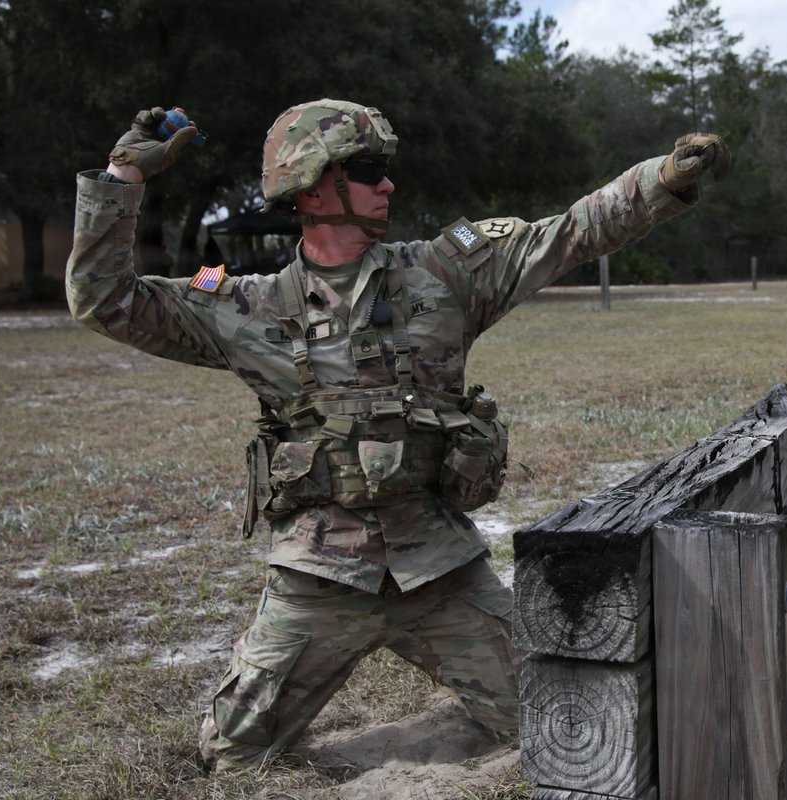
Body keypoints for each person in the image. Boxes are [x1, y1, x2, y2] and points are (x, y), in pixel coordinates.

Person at [65, 102, 730, 772]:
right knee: (233, 757)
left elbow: (573, 233)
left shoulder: (446, 272)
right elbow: (106, 300)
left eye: (386, 170)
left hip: (438, 570)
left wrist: (665, 179)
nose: (388, 185)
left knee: (562, 719)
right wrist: (123, 177)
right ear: (313, 185)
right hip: (320, 576)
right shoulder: (241, 304)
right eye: (368, 169)